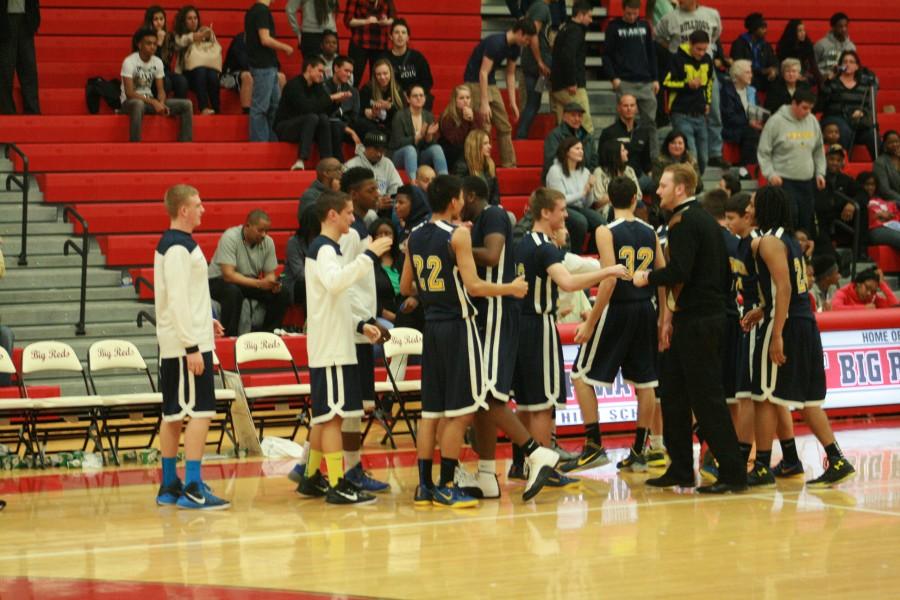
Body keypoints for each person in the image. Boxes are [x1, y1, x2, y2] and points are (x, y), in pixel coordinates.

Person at [399, 175, 532, 507]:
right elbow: (474, 286)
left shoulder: (413, 236)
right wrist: (510, 289)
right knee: (460, 413)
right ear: (455, 202)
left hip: (431, 327)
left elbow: (405, 288)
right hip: (458, 327)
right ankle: (447, 484)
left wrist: (434, 290)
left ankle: (424, 487)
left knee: (431, 413)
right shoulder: (458, 235)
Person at [632, 163, 747, 494]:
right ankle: (681, 468)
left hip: (699, 321)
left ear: (680, 189)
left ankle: (733, 473)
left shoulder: (684, 223)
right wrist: (671, 317)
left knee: (707, 398)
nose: (659, 191)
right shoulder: (703, 221)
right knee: (674, 394)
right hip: (695, 318)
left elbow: (679, 271)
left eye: (664, 185)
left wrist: (647, 277)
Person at [741, 185, 856, 488]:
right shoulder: (790, 240)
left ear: (765, 208)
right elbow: (787, 287)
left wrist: (776, 332)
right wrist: (763, 309)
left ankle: (762, 466)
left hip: (789, 324)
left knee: (763, 396)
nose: (749, 210)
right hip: (805, 322)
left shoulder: (768, 241)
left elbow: (785, 289)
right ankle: (837, 458)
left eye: (753, 204)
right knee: (806, 400)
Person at [457, 175, 565, 498]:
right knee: (482, 401)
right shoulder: (483, 219)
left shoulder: (492, 213)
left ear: (471, 194)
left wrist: (454, 247)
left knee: (491, 397)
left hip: (496, 312)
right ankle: (488, 474)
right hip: (489, 312)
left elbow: (490, 255)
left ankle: (536, 452)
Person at [512, 188, 629, 474]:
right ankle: (543, 469)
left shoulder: (521, 243)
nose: (566, 215)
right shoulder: (545, 246)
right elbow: (567, 283)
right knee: (541, 405)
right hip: (538, 326)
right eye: (562, 209)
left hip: (518, 326)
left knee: (526, 403)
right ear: (545, 213)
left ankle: (521, 464)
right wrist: (607, 271)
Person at [296, 191, 393, 504]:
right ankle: (339, 484)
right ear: (332, 215)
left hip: (333, 341)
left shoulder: (327, 248)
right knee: (334, 417)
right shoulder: (324, 248)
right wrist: (369, 257)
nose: (354, 218)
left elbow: (332, 297)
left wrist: (358, 324)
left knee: (324, 418)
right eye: (349, 213)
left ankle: (311, 477)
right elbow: (337, 283)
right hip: (332, 348)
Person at [568, 176, 667, 473]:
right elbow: (662, 276)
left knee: (580, 376)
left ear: (609, 200)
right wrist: (664, 316)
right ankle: (640, 450)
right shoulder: (651, 231)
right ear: (636, 198)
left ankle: (594, 444)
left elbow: (609, 278)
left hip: (619, 308)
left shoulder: (605, 230)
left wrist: (591, 322)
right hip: (647, 309)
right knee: (646, 382)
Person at [154, 184, 229, 510]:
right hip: (185, 346)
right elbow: (177, 300)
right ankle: (194, 487)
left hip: (185, 339)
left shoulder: (177, 244)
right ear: (183, 210)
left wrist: (204, 321)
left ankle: (170, 485)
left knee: (172, 415)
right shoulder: (176, 248)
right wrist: (192, 345)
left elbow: (188, 297)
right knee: (199, 413)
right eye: (198, 205)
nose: (204, 209)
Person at [655, 0, 729, 170]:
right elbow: (659, 37)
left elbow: (716, 35)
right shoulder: (670, 18)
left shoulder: (711, 14)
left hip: (705, 68)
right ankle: (691, 159)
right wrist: (674, 50)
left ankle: (715, 152)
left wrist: (704, 52)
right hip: (681, 67)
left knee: (714, 111)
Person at [463, 18, 536, 169]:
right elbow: (482, 72)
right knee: (485, 125)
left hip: (490, 82)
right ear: (520, 33)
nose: (528, 43)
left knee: (505, 126)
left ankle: (509, 164)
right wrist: (484, 102)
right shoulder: (495, 43)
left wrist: (513, 102)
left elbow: (510, 74)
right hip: (474, 80)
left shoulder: (515, 47)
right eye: (527, 39)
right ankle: (479, 165)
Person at [207, 209, 291, 337]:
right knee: (233, 292)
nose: (264, 234)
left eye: (266, 231)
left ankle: (268, 335)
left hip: (248, 282)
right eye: (260, 230)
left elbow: (270, 274)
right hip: (218, 280)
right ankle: (229, 336)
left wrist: (271, 284)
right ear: (247, 226)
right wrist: (259, 283)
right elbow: (228, 275)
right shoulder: (230, 237)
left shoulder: (268, 242)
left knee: (282, 293)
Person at [757, 89, 826, 238]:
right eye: (804, 108)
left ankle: (804, 257)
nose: (808, 112)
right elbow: (763, 151)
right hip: (783, 180)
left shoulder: (812, 121)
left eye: (810, 109)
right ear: (794, 103)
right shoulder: (776, 121)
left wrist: (820, 173)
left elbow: (819, 151)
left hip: (807, 181)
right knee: (789, 218)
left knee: (805, 221)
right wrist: (770, 174)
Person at [603, 0, 658, 153]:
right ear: (623, 10)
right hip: (624, 80)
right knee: (622, 122)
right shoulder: (614, 27)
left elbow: (651, 53)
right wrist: (613, 77)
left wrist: (655, 78)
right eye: (628, 13)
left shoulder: (644, 26)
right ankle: (618, 155)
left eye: (635, 13)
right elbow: (606, 55)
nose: (632, 17)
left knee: (650, 123)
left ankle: (653, 159)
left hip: (646, 81)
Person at [121, 28, 193, 143]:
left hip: (149, 102)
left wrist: (161, 102)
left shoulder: (157, 62)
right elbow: (129, 93)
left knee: (186, 104)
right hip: (130, 103)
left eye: (155, 44)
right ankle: (135, 144)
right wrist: (154, 102)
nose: (153, 47)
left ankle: (185, 144)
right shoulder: (129, 62)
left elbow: (161, 90)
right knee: (138, 104)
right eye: (148, 43)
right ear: (139, 45)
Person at [274, 56, 344, 171]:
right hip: (285, 127)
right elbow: (306, 108)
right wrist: (330, 98)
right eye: (319, 71)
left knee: (322, 118)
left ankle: (326, 161)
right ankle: (301, 160)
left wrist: (336, 102)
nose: (322, 75)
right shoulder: (294, 85)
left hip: (307, 126)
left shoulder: (317, 86)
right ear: (309, 68)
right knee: (312, 117)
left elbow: (324, 110)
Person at [663, 30, 715, 174]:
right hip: (681, 113)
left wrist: (708, 102)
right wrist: (687, 85)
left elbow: (710, 83)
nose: (701, 53)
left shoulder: (707, 60)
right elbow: (666, 82)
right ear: (690, 44)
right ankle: (691, 188)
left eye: (704, 49)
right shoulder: (677, 58)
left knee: (704, 158)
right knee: (692, 156)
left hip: (700, 114)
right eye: (698, 49)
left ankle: (696, 185)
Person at [246, 0, 294, 142]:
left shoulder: (253, 11)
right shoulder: (261, 11)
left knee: (274, 106)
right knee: (260, 107)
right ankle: (259, 144)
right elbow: (265, 39)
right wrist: (285, 47)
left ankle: (272, 141)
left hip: (267, 65)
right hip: (263, 66)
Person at [818, 50, 877, 160]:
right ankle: (842, 164)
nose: (848, 64)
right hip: (835, 118)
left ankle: (881, 166)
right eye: (845, 61)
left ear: (857, 66)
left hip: (856, 122)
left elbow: (867, 107)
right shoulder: (833, 82)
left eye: (851, 62)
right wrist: (829, 79)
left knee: (872, 134)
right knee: (844, 130)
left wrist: (861, 112)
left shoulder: (864, 86)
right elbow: (821, 102)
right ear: (840, 65)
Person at [545, 137, 600, 252]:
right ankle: (574, 254)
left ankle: (591, 253)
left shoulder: (585, 171)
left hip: (579, 208)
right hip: (559, 208)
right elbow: (559, 199)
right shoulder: (555, 171)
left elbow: (587, 203)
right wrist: (583, 192)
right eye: (577, 148)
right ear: (566, 151)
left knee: (601, 223)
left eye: (582, 149)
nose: (581, 151)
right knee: (581, 222)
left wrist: (590, 190)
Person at [550, 0, 594, 133]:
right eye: (589, 16)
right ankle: (588, 153)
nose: (591, 20)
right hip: (571, 87)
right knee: (585, 124)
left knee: (563, 127)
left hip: (557, 85)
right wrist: (571, 81)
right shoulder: (576, 31)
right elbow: (567, 56)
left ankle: (564, 153)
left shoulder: (565, 28)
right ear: (580, 15)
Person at [221, 32, 288, 115]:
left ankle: (282, 112)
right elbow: (243, 63)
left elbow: (276, 64)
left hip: (258, 75)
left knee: (281, 77)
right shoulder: (240, 40)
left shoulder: (266, 42)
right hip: (229, 77)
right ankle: (247, 113)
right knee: (247, 76)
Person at [598, 94, 654, 193]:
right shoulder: (608, 132)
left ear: (636, 108)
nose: (629, 109)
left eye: (632, 105)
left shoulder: (643, 132)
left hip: (638, 176)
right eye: (625, 106)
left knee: (658, 185)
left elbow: (646, 162)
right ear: (619, 108)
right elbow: (602, 159)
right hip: (616, 178)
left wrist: (651, 174)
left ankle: (656, 209)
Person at [390, 84, 447, 177]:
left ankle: (444, 179)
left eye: (421, 95)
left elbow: (429, 145)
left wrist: (428, 136)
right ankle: (413, 183)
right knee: (410, 149)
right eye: (415, 96)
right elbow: (397, 142)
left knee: (437, 148)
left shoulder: (428, 116)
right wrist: (417, 137)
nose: (419, 98)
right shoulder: (399, 116)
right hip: (400, 155)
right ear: (408, 99)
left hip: (420, 155)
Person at [172, 6, 220, 115]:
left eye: (195, 18)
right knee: (200, 70)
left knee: (213, 74)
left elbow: (215, 51)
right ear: (184, 21)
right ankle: (203, 107)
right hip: (187, 74)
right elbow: (179, 43)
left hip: (206, 73)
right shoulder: (178, 35)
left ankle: (216, 109)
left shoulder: (204, 32)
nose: (193, 21)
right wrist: (194, 37)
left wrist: (210, 36)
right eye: (189, 19)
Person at [516, 0, 553, 140]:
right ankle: (521, 135)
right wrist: (540, 62)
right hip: (539, 64)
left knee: (533, 101)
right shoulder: (542, 8)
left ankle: (521, 134)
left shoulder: (536, 6)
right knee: (534, 101)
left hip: (534, 62)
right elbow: (533, 34)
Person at [345, 130, 404, 217]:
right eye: (376, 149)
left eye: (382, 150)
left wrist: (390, 199)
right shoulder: (351, 165)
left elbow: (397, 187)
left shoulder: (387, 163)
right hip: (364, 208)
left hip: (386, 208)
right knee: (371, 215)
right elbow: (348, 196)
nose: (380, 154)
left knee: (401, 209)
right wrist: (375, 203)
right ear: (366, 147)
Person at [815, 144, 860, 255]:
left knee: (860, 209)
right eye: (831, 159)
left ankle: (859, 251)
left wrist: (851, 204)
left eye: (838, 160)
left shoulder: (846, 179)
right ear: (825, 160)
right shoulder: (817, 177)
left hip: (840, 217)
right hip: (820, 217)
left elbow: (862, 193)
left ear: (842, 162)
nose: (835, 162)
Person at [720, 59, 763, 168]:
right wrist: (749, 122)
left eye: (751, 72)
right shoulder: (726, 91)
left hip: (749, 126)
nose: (751, 75)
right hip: (731, 128)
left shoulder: (751, 91)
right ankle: (747, 168)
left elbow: (757, 110)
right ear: (737, 75)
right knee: (751, 133)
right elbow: (728, 117)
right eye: (747, 72)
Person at [384, 19, 434, 111]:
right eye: (396, 32)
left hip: (415, 98)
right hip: (393, 98)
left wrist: (413, 94)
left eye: (403, 32)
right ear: (391, 36)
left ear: (408, 37)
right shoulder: (384, 59)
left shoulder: (417, 57)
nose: (400, 36)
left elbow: (427, 81)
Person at [0, 0, 40, 114]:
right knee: (5, 70)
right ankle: (7, 112)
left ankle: (32, 111)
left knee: (29, 68)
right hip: (5, 18)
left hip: (26, 17)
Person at [142, 5, 188, 101]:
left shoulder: (169, 36)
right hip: (148, 72)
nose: (159, 22)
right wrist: (158, 44)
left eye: (161, 19)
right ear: (150, 21)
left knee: (181, 80)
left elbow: (166, 61)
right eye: (156, 19)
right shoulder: (144, 37)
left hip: (164, 70)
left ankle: (177, 108)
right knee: (165, 81)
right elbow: (148, 61)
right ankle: (160, 106)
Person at [344, 0, 395, 85]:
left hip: (380, 44)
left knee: (378, 79)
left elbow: (393, 18)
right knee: (353, 78)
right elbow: (348, 21)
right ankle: (351, 97)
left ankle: (376, 98)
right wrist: (366, 21)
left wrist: (386, 21)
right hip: (359, 42)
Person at [593, 139, 643, 222]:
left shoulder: (629, 170)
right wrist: (622, 194)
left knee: (640, 205)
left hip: (629, 205)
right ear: (615, 154)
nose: (627, 152)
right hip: (608, 208)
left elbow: (638, 195)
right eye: (623, 150)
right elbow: (598, 202)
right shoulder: (599, 172)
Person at [543, 102, 597, 177]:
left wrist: (585, 175)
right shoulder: (555, 135)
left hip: (584, 177)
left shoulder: (588, 137)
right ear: (564, 117)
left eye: (580, 116)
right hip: (561, 177)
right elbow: (551, 161)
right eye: (573, 115)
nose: (577, 119)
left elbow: (594, 161)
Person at [323, 55, 362, 158]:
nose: (349, 75)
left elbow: (355, 116)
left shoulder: (353, 91)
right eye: (346, 71)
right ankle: (338, 162)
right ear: (336, 68)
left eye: (351, 72)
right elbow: (325, 114)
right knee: (335, 125)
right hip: (329, 127)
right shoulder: (323, 87)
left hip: (347, 126)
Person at [439, 85, 486, 170]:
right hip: (452, 152)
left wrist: (472, 121)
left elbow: (480, 137)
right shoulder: (447, 117)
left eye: (468, 98)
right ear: (455, 101)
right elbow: (455, 140)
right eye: (461, 98)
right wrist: (465, 121)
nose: (465, 101)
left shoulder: (476, 115)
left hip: (471, 149)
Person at [729, 13, 777, 93]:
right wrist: (762, 71)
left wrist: (774, 70)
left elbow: (774, 61)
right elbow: (738, 66)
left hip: (764, 79)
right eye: (762, 28)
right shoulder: (739, 44)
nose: (765, 31)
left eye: (765, 28)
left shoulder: (765, 45)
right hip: (747, 78)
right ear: (754, 29)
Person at [356, 58, 403, 140]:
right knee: (362, 123)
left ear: (391, 73)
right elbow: (358, 112)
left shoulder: (398, 90)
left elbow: (402, 116)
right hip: (372, 126)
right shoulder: (367, 89)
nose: (382, 77)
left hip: (389, 128)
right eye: (378, 74)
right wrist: (369, 113)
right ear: (374, 75)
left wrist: (389, 107)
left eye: (385, 73)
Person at [453, 130, 500, 207]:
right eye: (485, 143)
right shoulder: (462, 166)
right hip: (471, 211)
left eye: (489, 143)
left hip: (487, 209)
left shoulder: (490, 164)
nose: (490, 146)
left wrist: (494, 207)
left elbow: (495, 193)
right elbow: (462, 196)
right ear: (475, 146)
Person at [776, 19, 822, 88]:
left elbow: (813, 65)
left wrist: (821, 81)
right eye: (800, 31)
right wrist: (796, 75)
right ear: (793, 32)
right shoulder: (784, 47)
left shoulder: (807, 45)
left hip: (803, 75)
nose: (803, 33)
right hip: (788, 76)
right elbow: (782, 67)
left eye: (804, 30)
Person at [864, 172, 900, 251]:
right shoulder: (860, 201)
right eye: (867, 184)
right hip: (875, 229)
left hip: (893, 226)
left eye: (872, 185)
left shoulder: (882, 201)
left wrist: (890, 215)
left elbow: (895, 214)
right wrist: (877, 216)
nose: (870, 187)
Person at [832, 268, 899, 310]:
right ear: (858, 284)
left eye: (873, 291)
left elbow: (895, 307)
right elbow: (835, 308)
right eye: (867, 288)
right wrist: (863, 308)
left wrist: (882, 284)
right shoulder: (843, 292)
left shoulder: (872, 297)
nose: (869, 293)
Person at [299, 157, 342, 221]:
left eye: (341, 169)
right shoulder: (310, 195)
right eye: (337, 169)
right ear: (326, 173)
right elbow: (313, 220)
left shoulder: (340, 189)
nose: (341, 173)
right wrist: (334, 193)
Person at [814, 12, 856, 78]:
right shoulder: (821, 45)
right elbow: (812, 67)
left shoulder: (851, 47)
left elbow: (853, 67)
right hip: (825, 82)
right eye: (840, 26)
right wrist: (824, 75)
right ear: (833, 27)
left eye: (845, 26)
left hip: (844, 83)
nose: (844, 29)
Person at [873, 130, 900, 203]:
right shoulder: (880, 162)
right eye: (891, 142)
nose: (895, 144)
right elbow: (885, 190)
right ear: (884, 144)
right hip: (891, 201)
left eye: (897, 141)